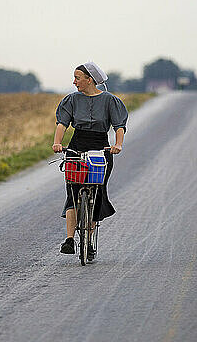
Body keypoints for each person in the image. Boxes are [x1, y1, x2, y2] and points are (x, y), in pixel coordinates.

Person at [52, 61, 128, 256]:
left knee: (97, 189)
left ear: (89, 80)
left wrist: (117, 145)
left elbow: (119, 126)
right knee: (73, 191)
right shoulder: (71, 100)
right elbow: (62, 124)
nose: (74, 82)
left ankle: (89, 239)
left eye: (77, 78)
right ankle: (69, 239)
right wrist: (57, 142)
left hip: (101, 147)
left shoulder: (111, 101)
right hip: (77, 145)